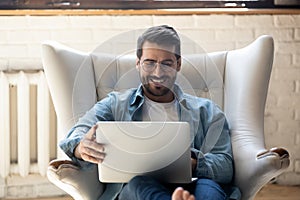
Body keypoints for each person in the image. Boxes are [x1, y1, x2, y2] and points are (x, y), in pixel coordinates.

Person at [60, 25, 239, 200]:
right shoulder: (115, 104)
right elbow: (77, 133)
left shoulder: (207, 111)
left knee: (209, 190)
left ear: (178, 64)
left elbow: (225, 166)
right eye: (150, 63)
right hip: (142, 186)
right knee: (138, 185)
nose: (158, 72)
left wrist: (191, 164)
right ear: (138, 63)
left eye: (167, 64)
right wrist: (80, 147)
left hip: (194, 182)